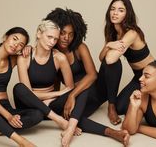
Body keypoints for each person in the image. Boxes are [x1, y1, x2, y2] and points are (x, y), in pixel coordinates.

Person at [44, 8, 130, 146]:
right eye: (63, 33)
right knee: (74, 117)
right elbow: (54, 82)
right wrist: (59, 100)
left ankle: (111, 106)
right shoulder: (51, 53)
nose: (67, 38)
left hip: (95, 91)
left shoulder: (79, 47)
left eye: (71, 34)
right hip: (79, 100)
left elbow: (92, 75)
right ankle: (114, 133)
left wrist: (72, 96)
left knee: (112, 62)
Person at [13, 20, 86, 147]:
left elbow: (70, 88)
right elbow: (27, 93)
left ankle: (69, 127)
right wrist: (57, 93)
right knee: (18, 88)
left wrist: (51, 100)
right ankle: (61, 122)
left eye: (55, 39)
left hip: (51, 105)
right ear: (39, 34)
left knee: (82, 90)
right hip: (29, 104)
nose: (52, 42)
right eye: (49, 37)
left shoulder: (59, 58)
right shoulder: (24, 58)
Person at [0, 27, 43, 147]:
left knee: (38, 114)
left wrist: (29, 47)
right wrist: (9, 117)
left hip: (6, 107)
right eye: (14, 39)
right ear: (5, 37)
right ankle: (21, 141)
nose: (16, 45)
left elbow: (35, 51)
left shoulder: (13, 60)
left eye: (20, 44)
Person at [98, 0, 155, 125]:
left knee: (113, 61)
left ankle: (112, 106)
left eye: (120, 10)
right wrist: (108, 45)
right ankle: (113, 106)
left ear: (127, 14)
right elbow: (102, 58)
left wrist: (109, 47)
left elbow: (110, 59)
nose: (115, 13)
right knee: (121, 107)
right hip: (138, 78)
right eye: (113, 9)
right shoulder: (112, 32)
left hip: (151, 76)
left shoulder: (132, 33)